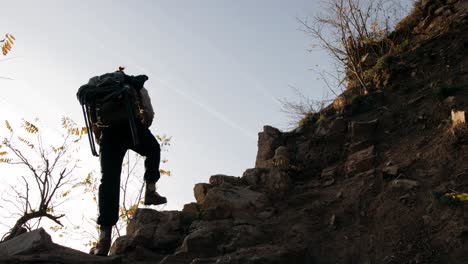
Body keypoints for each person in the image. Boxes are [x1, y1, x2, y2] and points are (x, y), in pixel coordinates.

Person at [91, 67, 167, 256]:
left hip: (108, 134)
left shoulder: (97, 88)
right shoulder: (133, 85)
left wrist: (101, 137)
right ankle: (150, 190)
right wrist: (142, 127)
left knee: (108, 181)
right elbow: (148, 111)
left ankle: (103, 240)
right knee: (153, 149)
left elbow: (93, 116)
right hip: (131, 128)